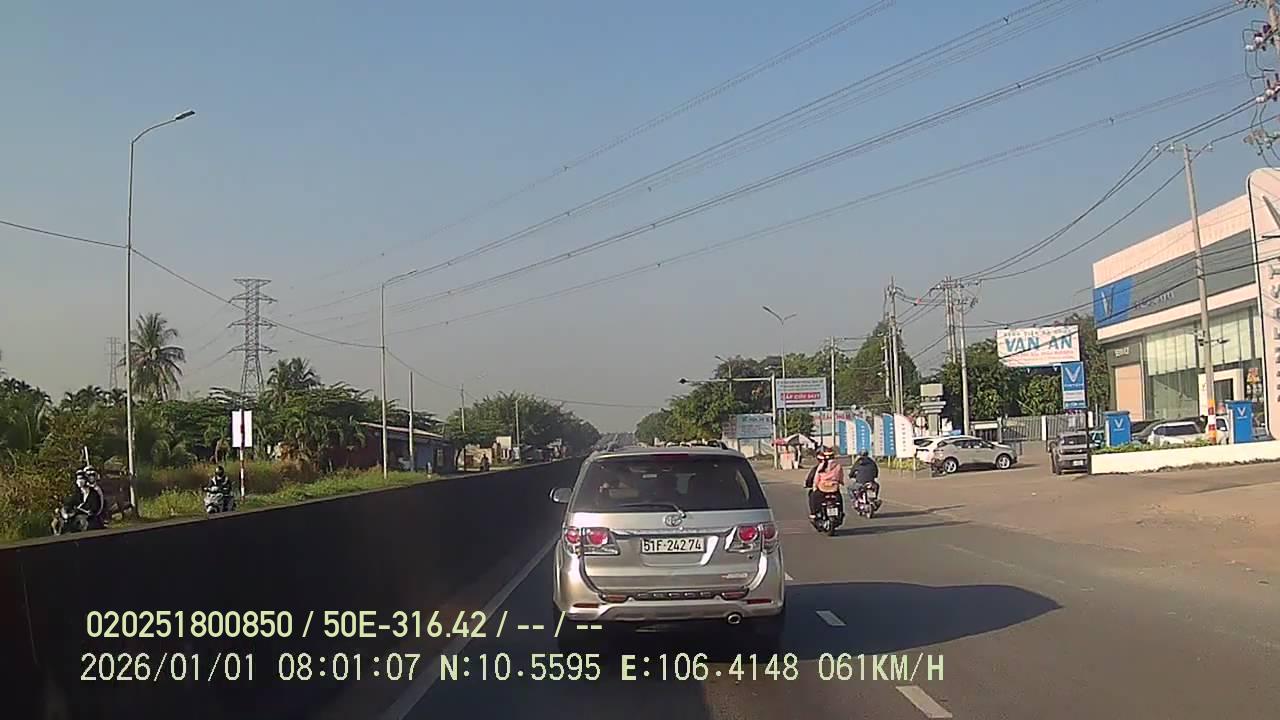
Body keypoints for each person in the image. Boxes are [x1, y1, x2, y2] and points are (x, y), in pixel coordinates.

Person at [805, 447, 844, 519]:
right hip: (834, 488)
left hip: (823, 488)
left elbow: (817, 478)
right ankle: (840, 512)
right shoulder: (838, 466)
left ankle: (814, 513)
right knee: (839, 498)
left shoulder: (821, 466)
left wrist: (815, 486)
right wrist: (840, 482)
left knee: (813, 496)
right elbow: (840, 477)